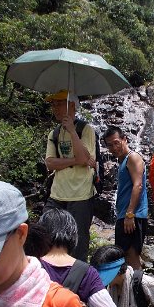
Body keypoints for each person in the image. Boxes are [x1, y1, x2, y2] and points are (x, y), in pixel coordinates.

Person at [44, 90, 97, 262]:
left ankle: (77, 282)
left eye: (59, 104)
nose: (55, 108)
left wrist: (73, 131)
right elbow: (50, 163)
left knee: (79, 242)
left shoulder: (85, 129)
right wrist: (75, 160)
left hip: (81, 194)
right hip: (57, 193)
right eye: (53, 104)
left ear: (72, 106)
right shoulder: (54, 133)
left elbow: (86, 158)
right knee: (46, 234)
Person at [102, 126, 148, 269]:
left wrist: (130, 214)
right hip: (125, 216)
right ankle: (132, 290)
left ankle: (138, 290)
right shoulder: (123, 162)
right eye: (110, 145)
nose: (114, 147)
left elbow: (138, 185)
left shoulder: (133, 157)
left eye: (116, 142)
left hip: (132, 216)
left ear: (125, 139)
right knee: (125, 258)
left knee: (131, 257)